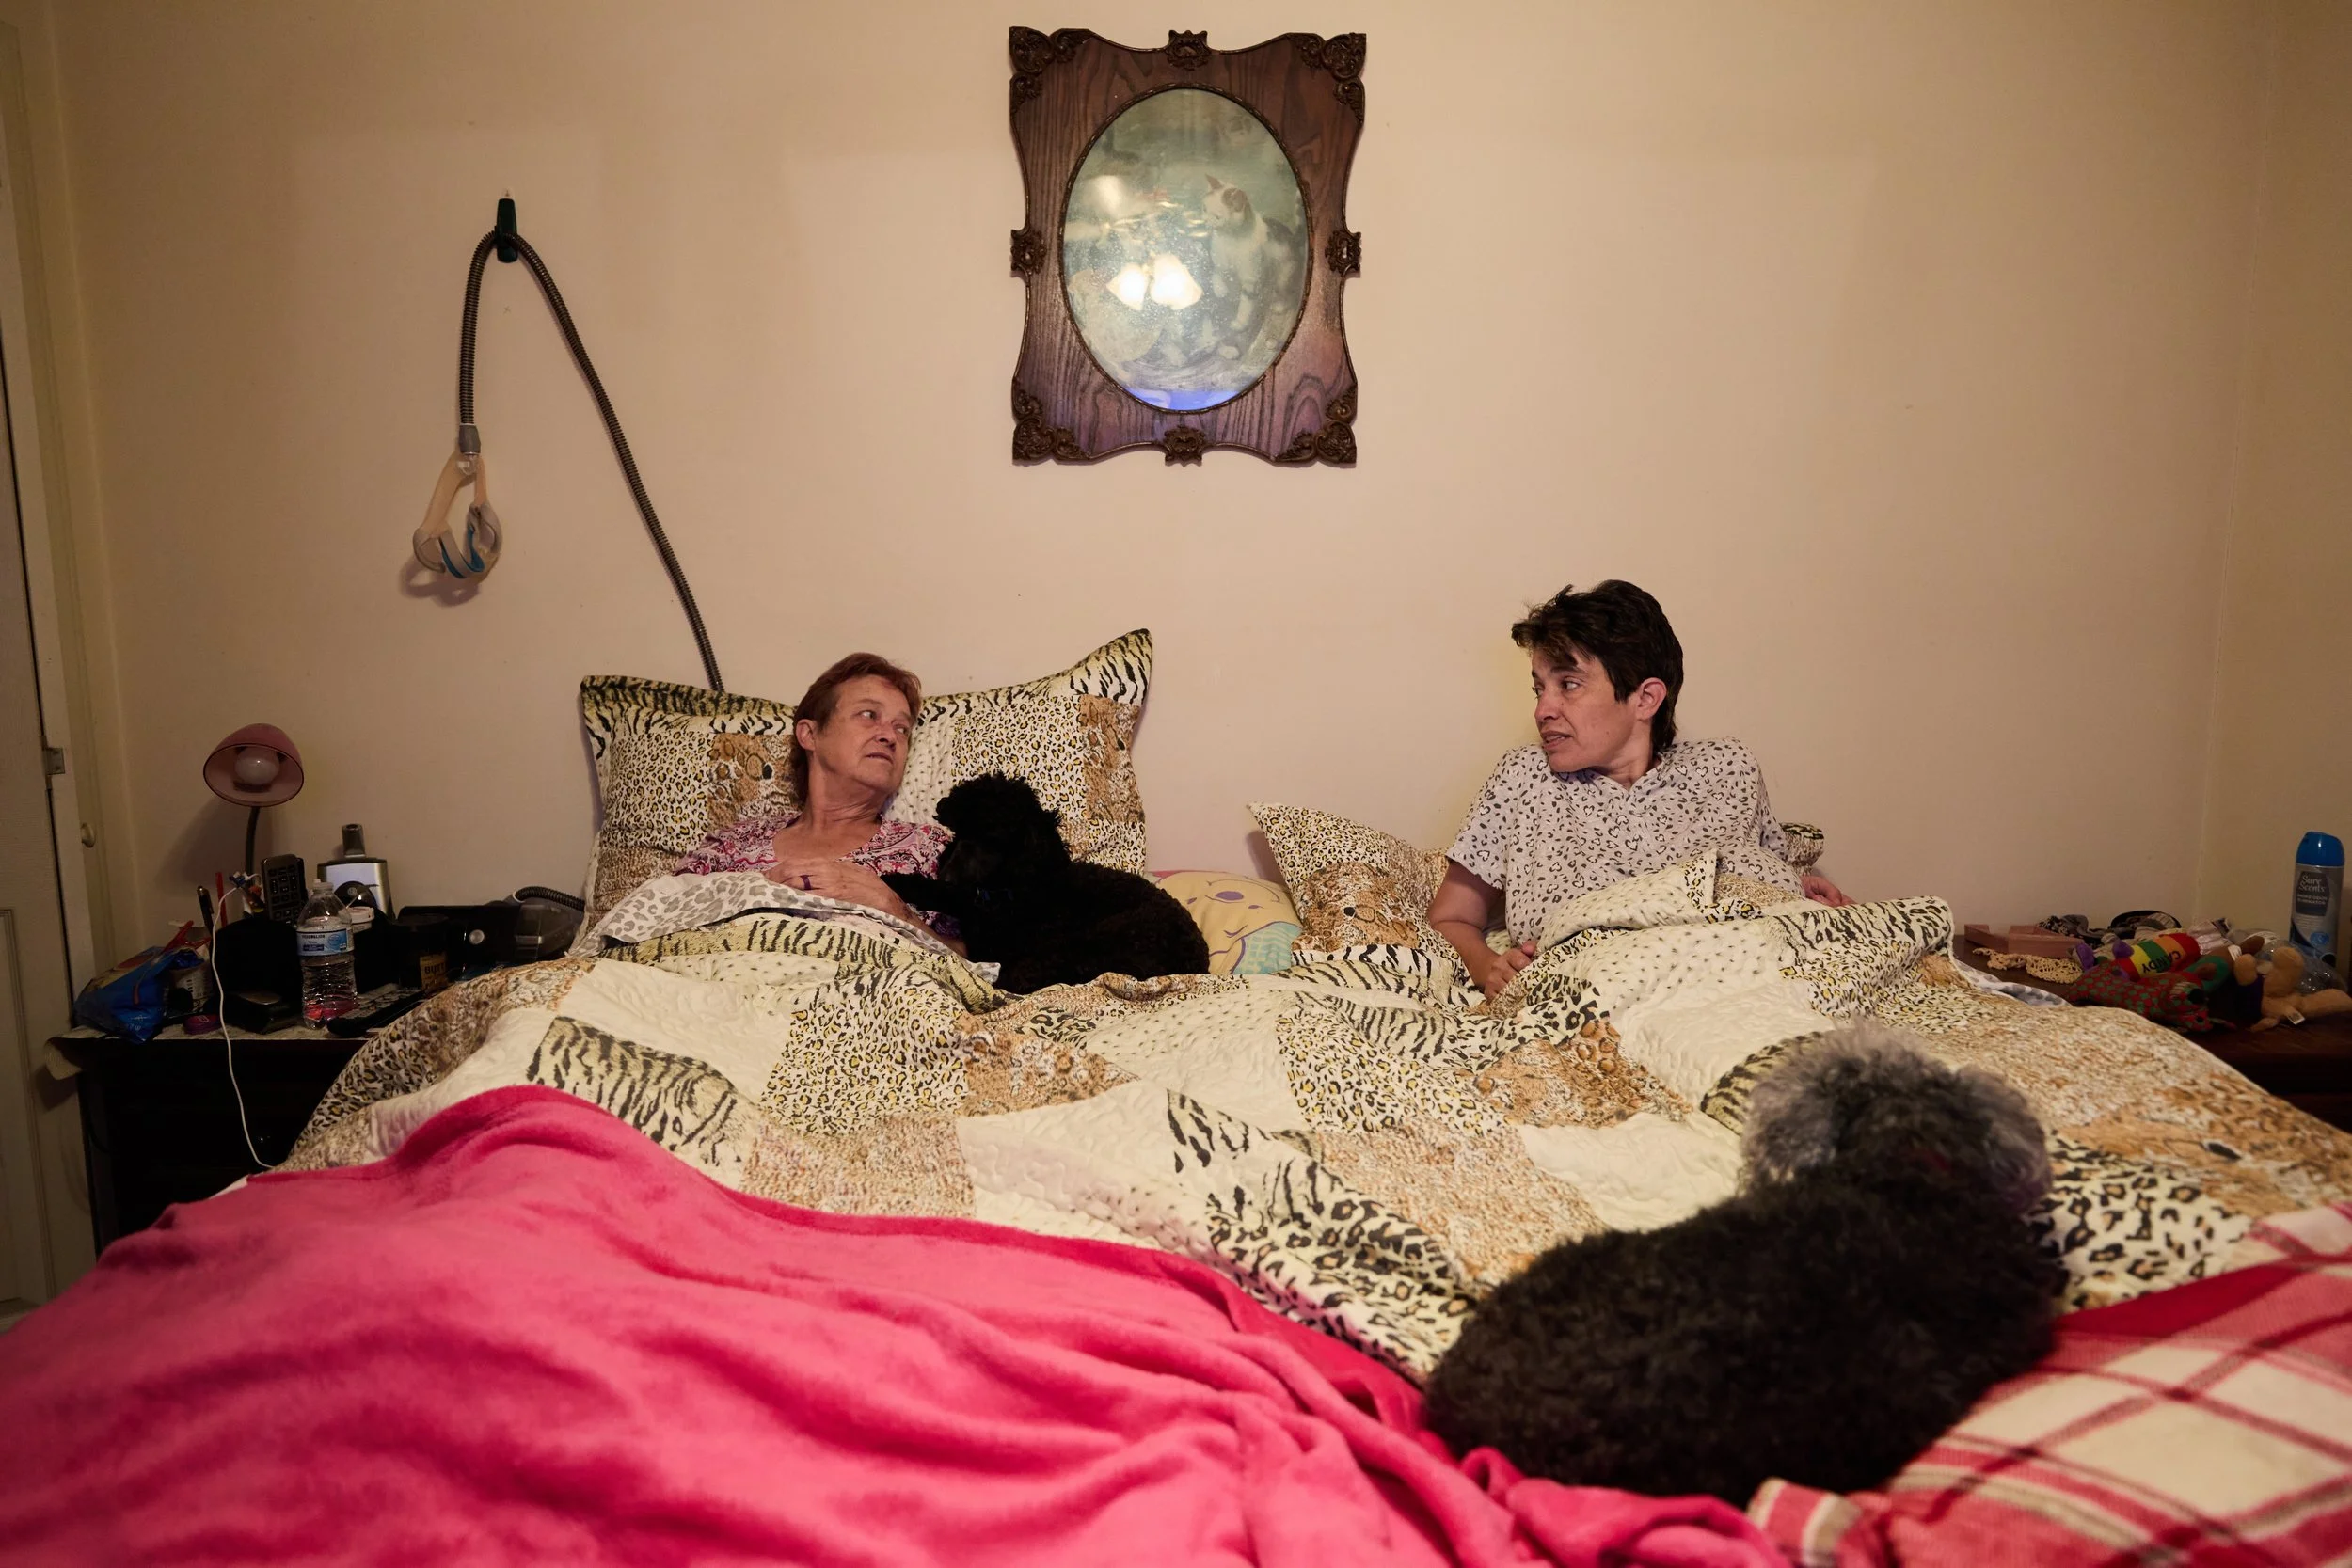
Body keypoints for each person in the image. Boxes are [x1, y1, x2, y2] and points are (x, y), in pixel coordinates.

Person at [1430, 581, 1848, 997]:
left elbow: (1755, 876)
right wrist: (1489, 968)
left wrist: (1796, 885)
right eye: (1539, 688)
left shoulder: (1728, 767)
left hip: (1754, 982)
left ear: (1645, 699)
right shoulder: (1525, 777)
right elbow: (1451, 918)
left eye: (1569, 685)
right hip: (1598, 996)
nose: (1543, 709)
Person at [675, 652, 950, 935]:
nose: (890, 737)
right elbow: (654, 918)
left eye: (902, 728)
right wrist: (751, 891)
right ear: (809, 734)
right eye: (869, 715)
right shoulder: (731, 845)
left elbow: (984, 966)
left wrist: (893, 908)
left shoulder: (934, 851)